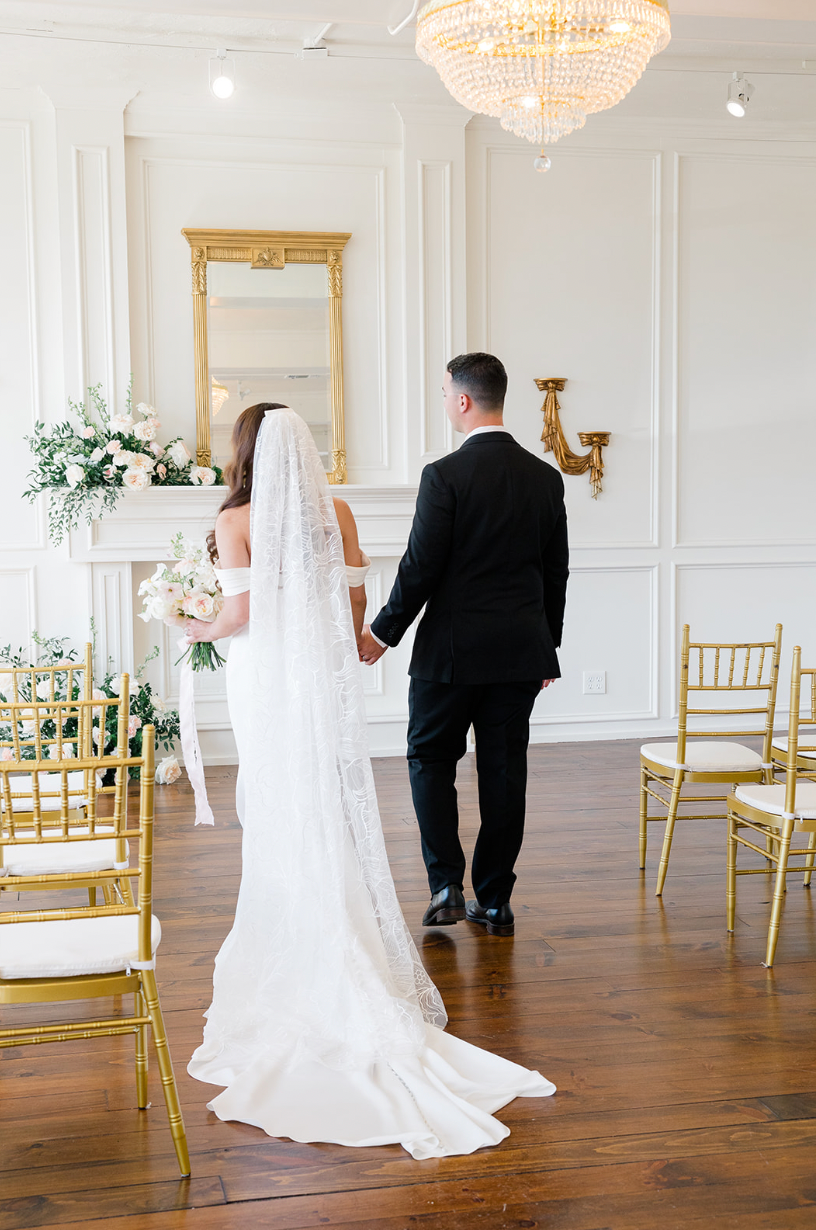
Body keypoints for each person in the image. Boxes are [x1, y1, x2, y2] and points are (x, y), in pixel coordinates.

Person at [184, 402, 555, 1158]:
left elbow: (242, 613)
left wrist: (192, 622)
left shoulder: (236, 520)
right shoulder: (340, 510)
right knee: (323, 796)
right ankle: (378, 913)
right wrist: (360, 639)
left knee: (279, 799)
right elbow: (354, 598)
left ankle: (305, 920)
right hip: (321, 680)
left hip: (265, 680)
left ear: (245, 450)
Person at [359, 354, 569, 938]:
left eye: (445, 393)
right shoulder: (546, 477)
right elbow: (556, 572)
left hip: (448, 656)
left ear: (462, 400)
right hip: (519, 654)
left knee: (430, 761)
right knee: (504, 774)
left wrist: (381, 632)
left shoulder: (443, 475)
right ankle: (496, 900)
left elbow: (420, 567)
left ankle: (446, 885)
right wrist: (545, 646)